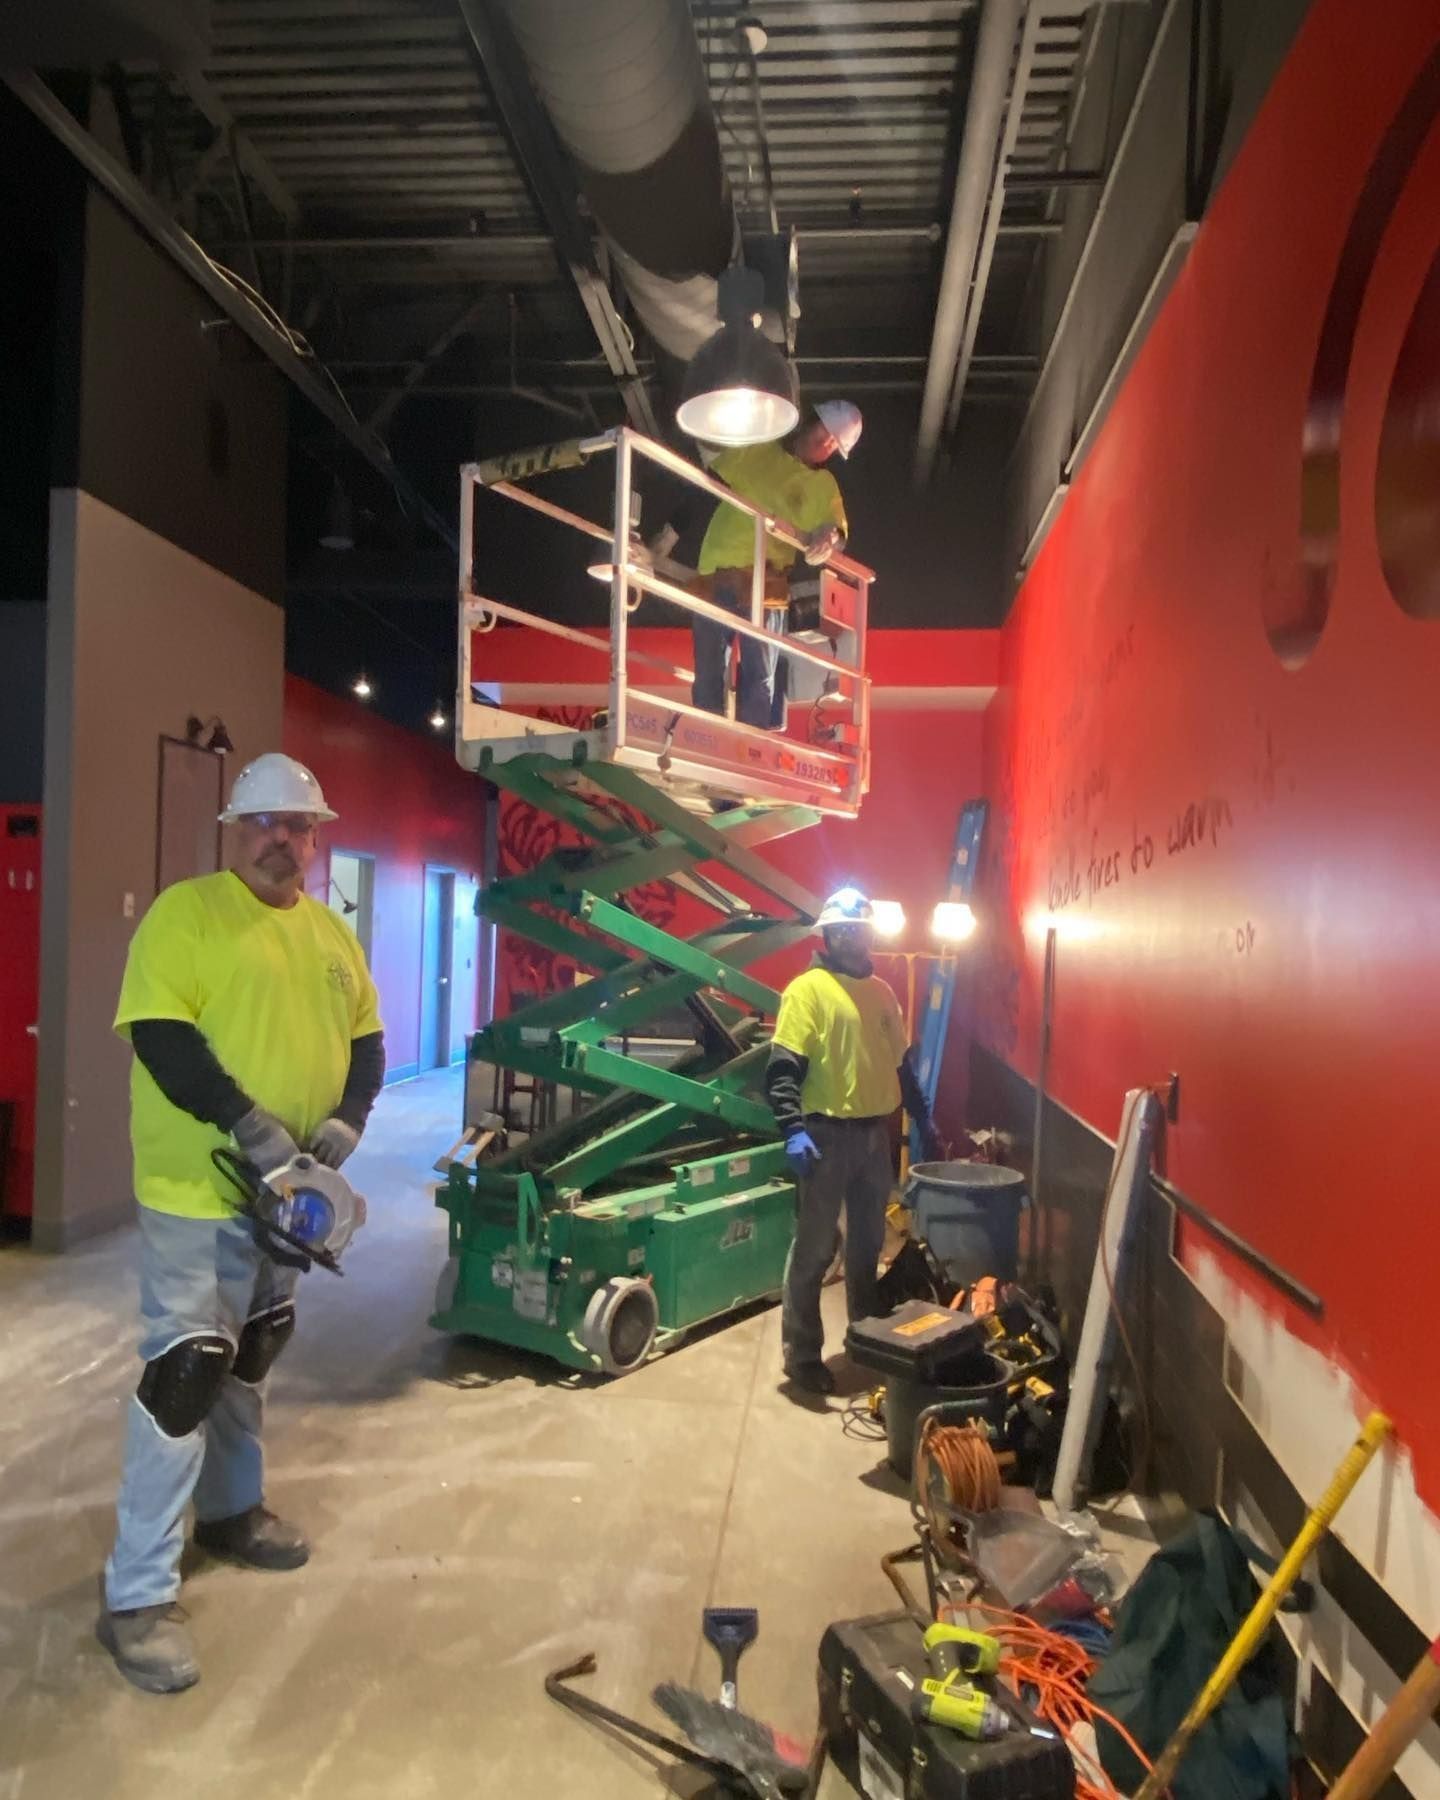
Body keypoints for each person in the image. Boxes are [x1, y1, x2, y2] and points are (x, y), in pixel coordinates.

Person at [98, 752, 385, 1694]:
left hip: (291, 1199)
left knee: (253, 1352)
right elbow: (159, 1034)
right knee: (186, 1371)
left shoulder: (332, 938)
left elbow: (368, 1044)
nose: (283, 840)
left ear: (315, 837)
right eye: (265, 823)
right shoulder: (187, 915)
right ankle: (136, 1597)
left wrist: (345, 1121)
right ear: (236, 828)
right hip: (199, 1193)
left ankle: (231, 1512)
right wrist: (249, 1125)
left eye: (298, 826)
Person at [764, 886, 943, 1395]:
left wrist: (923, 1120)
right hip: (824, 1137)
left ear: (869, 935)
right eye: (841, 930)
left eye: (858, 930)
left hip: (873, 1138)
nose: (850, 938)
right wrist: (792, 1129)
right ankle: (801, 1354)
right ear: (827, 934)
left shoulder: (884, 993)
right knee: (816, 1248)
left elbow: (902, 1067)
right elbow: (781, 1070)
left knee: (867, 1247)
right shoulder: (808, 990)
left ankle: (866, 1340)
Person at [684, 400, 863, 729]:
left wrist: (829, 537)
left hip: (764, 585)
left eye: (833, 444)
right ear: (810, 421)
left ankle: (749, 748)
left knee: (759, 679)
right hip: (714, 572)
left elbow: (836, 529)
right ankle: (706, 739)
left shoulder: (823, 487)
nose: (825, 444)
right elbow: (711, 457)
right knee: (708, 672)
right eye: (825, 432)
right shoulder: (760, 453)